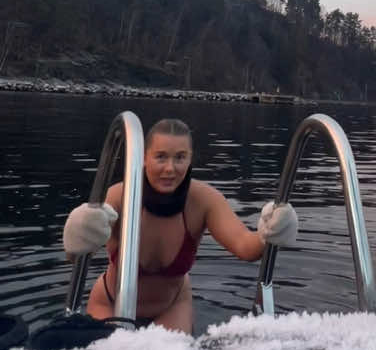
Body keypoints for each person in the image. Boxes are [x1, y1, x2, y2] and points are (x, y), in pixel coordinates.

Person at [62, 117, 298, 334]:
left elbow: (246, 248)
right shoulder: (118, 197)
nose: (170, 169)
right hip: (111, 302)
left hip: (171, 307)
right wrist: (78, 234)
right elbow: (75, 259)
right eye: (161, 156)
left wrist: (271, 230)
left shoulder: (204, 200)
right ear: (144, 157)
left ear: (190, 158)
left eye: (180, 157)